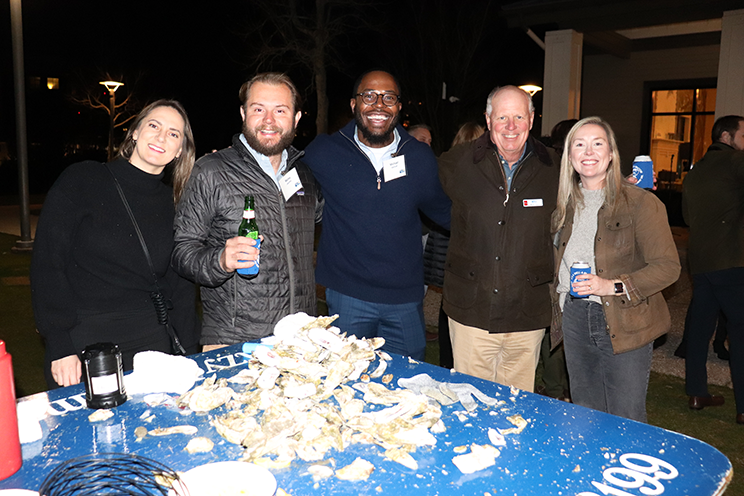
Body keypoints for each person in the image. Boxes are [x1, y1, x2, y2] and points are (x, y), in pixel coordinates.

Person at [30, 100, 200, 388]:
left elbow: (180, 290)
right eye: (154, 126)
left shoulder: (175, 206)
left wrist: (191, 354)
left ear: (180, 150)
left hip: (152, 348)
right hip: (86, 342)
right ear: (134, 132)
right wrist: (59, 344)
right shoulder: (83, 180)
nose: (161, 137)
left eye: (173, 134)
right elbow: (48, 263)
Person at [303, 69, 451, 361]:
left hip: (404, 300)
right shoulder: (324, 151)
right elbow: (284, 179)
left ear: (398, 106)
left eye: (389, 97)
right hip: (347, 297)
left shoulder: (419, 157)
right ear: (354, 104)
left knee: (408, 383)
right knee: (345, 381)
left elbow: (445, 212)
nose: (379, 104)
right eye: (369, 96)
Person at [172, 73, 322, 350]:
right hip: (235, 341)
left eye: (280, 110)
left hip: (300, 340)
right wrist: (220, 260)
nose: (269, 120)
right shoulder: (211, 171)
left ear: (296, 118)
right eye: (258, 109)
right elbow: (182, 251)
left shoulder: (306, 176)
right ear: (243, 113)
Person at [550, 116, 680, 422]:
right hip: (575, 318)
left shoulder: (640, 203)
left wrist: (611, 286)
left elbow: (668, 268)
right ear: (569, 156)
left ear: (611, 154)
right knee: (585, 412)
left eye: (598, 144)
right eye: (579, 145)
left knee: (626, 418)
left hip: (625, 319)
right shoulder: (564, 206)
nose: (588, 152)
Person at [438, 86, 558, 392]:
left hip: (526, 316)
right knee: (471, 404)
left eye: (518, 116)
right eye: (502, 116)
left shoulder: (555, 167)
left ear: (531, 119)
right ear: (488, 120)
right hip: (471, 314)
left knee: (516, 408)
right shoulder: (457, 163)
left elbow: (594, 188)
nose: (510, 125)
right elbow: (424, 201)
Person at [682, 114, 744, 425]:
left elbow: (686, 216)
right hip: (732, 261)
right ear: (726, 136)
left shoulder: (695, 171)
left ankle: (697, 392)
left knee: (698, 330)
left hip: (701, 262)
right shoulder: (737, 161)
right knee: (741, 331)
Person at [424, 121, 485, 368]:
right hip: (457, 248)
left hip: (443, 247)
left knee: (448, 305)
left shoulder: (446, 170)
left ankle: (449, 363)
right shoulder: (478, 175)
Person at [536, 119, 577, 401]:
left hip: (553, 258)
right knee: (558, 327)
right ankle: (556, 389)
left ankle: (555, 388)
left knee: (555, 326)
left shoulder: (546, 165)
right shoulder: (561, 172)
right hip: (558, 258)